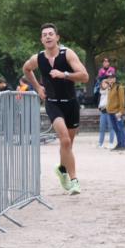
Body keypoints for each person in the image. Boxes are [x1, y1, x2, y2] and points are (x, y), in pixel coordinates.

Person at [22, 23, 88, 194]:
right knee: (64, 140)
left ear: (57, 37)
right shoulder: (38, 58)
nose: (48, 37)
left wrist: (64, 74)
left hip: (71, 103)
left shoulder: (68, 54)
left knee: (68, 144)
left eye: (51, 34)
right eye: (44, 35)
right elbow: (26, 69)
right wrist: (38, 87)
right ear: (41, 40)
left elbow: (85, 76)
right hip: (53, 103)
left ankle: (62, 170)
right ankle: (74, 181)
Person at [106, 72, 125, 152]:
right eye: (108, 78)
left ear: (115, 79)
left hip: (117, 113)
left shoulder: (119, 87)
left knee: (120, 128)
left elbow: (122, 101)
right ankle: (119, 144)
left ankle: (122, 145)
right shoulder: (110, 87)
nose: (109, 79)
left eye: (111, 78)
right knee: (116, 129)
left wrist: (121, 112)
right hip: (110, 112)